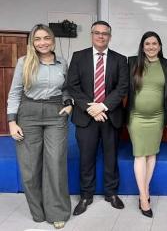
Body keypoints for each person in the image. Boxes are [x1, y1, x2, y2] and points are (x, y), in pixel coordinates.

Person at [7, 24, 71, 229]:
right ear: (32, 42)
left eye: (46, 38)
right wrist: (11, 121)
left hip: (55, 114)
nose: (42, 42)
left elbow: (67, 89)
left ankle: (57, 212)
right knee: (30, 167)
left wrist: (69, 105)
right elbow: (15, 92)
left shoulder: (63, 62)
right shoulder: (23, 62)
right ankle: (38, 211)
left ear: (52, 40)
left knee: (55, 164)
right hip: (29, 115)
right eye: (37, 39)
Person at [67, 21, 129, 216]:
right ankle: (86, 195)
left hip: (111, 116)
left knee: (111, 157)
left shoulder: (120, 59)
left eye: (105, 34)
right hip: (86, 118)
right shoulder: (78, 57)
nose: (101, 36)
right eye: (97, 33)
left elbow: (122, 87)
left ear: (110, 36)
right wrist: (91, 108)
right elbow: (73, 86)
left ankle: (111, 193)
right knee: (86, 158)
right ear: (92, 35)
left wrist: (102, 106)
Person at [127, 31, 167, 218]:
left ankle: (144, 191)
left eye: (155, 43)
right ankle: (144, 198)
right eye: (147, 44)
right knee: (140, 154)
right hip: (136, 117)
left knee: (151, 155)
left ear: (160, 46)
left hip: (158, 116)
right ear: (142, 46)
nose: (151, 47)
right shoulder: (131, 62)